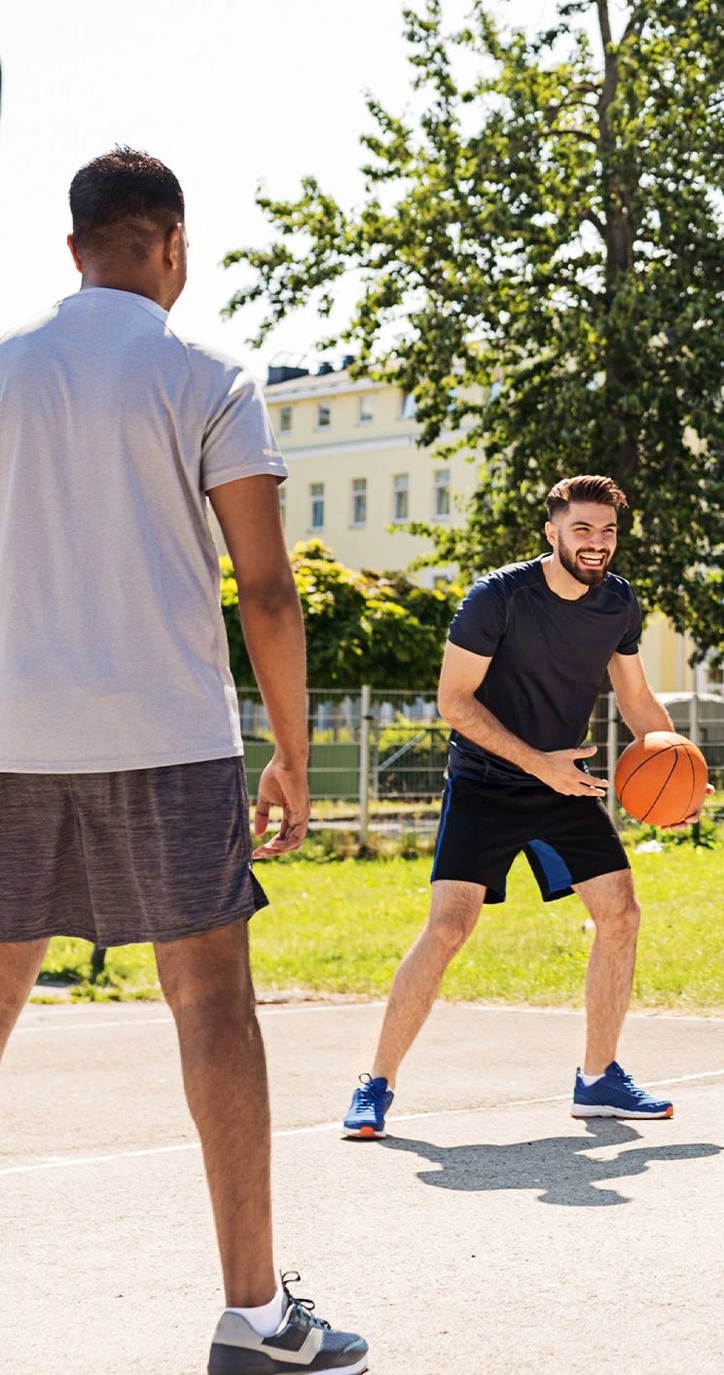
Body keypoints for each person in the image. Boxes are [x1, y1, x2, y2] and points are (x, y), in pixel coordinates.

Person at [0, 149, 368, 1374]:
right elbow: (265, 587)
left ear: (73, 249)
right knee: (211, 1002)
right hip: (167, 736)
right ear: (172, 244)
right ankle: (254, 1319)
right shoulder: (211, 375)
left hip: (9, 735)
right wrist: (292, 754)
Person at [342, 474, 691, 1138]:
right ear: (552, 532)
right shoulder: (497, 597)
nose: (596, 542)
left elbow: (637, 698)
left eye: (607, 530)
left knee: (620, 914)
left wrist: (682, 767)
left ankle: (598, 1080)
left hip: (563, 783)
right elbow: (454, 701)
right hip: (486, 782)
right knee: (449, 926)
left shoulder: (618, 602)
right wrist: (538, 764)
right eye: (582, 528)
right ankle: (375, 1084)